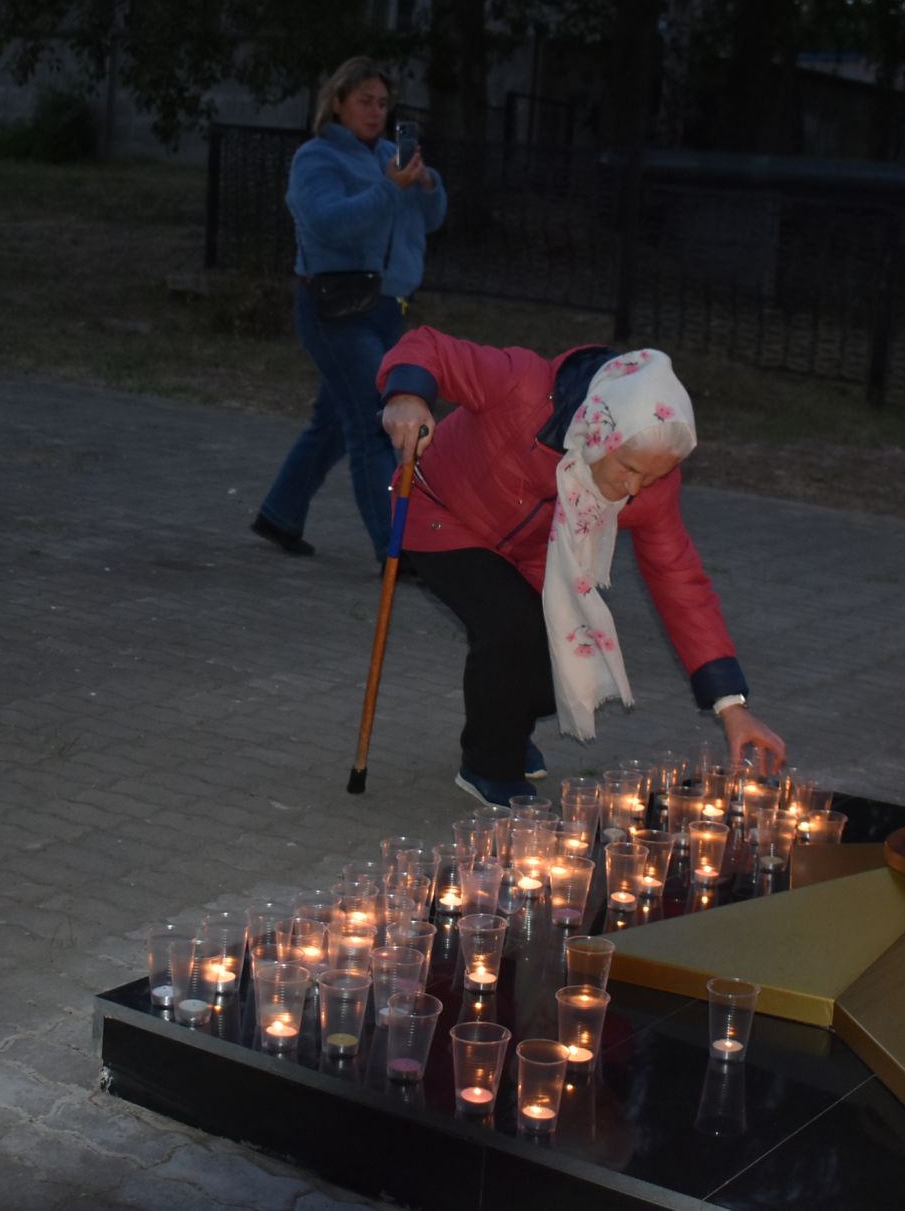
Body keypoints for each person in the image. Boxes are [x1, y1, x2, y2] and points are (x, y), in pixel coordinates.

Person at [377, 329, 787, 805]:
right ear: (598, 432)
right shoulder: (523, 386)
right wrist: (406, 395)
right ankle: (489, 766)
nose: (635, 488)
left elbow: (681, 584)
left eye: (652, 476)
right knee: (512, 627)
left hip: (534, 553)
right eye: (629, 468)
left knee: (568, 660)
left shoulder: (652, 489)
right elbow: (428, 346)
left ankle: (505, 725)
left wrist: (731, 705)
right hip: (440, 512)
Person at [253, 57, 446, 562]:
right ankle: (395, 549)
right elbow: (330, 223)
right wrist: (389, 188)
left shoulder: (390, 156)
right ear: (337, 102)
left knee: (335, 422)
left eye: (383, 103)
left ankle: (280, 512)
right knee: (374, 422)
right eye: (364, 100)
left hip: (387, 308)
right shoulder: (316, 159)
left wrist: (426, 186)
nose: (376, 111)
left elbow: (430, 221)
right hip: (335, 309)